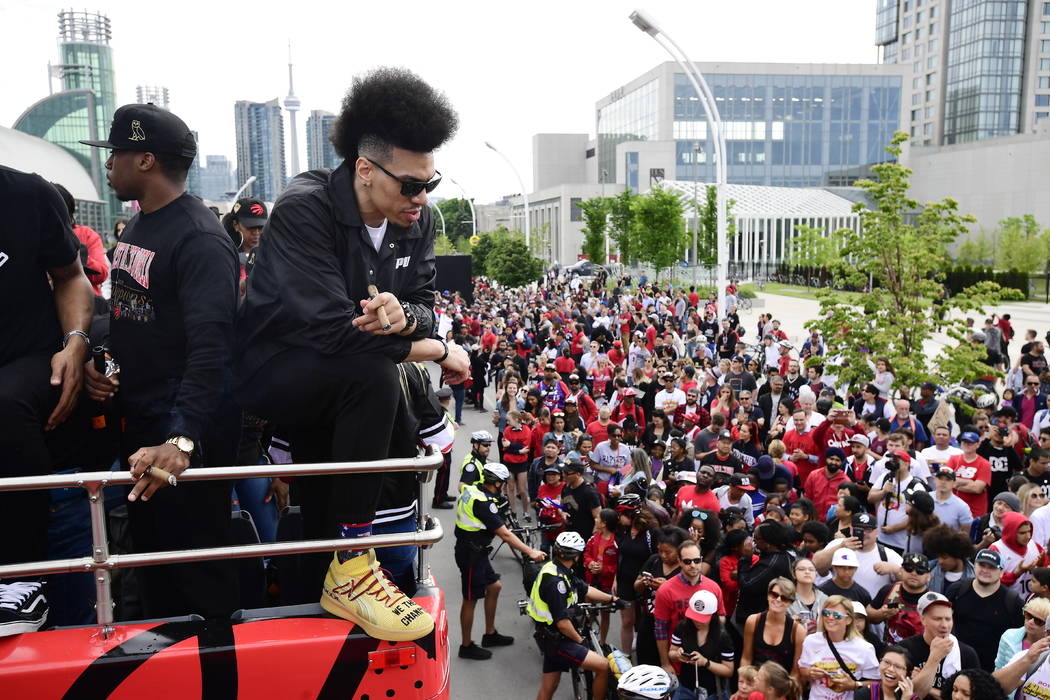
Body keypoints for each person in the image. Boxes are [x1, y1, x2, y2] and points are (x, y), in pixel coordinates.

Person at [234, 69, 468, 640]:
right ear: (365, 169)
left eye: (431, 183)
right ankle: (354, 565)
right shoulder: (303, 209)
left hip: (340, 375)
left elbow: (425, 302)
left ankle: (340, 564)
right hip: (270, 371)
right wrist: (434, 347)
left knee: (369, 379)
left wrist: (407, 318)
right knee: (374, 376)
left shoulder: (418, 219)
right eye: (411, 185)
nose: (422, 199)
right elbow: (333, 335)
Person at [80, 104, 244, 620]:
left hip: (184, 441)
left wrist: (182, 440)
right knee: (154, 582)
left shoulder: (199, 237)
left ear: (146, 160)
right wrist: (104, 361)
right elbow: (135, 317)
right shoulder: (138, 226)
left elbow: (213, 350)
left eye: (117, 154)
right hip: (143, 433)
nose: (109, 165)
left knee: (197, 581)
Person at [0, 166, 93, 635]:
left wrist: (75, 344)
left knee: (5, 402)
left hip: (31, 365)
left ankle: (21, 580)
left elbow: (72, 276)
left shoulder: (26, 194)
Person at [454, 461, 544, 659]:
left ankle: (490, 633)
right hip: (471, 555)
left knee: (494, 587)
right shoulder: (485, 504)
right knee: (470, 599)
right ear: (496, 483)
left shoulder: (472, 489)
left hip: (476, 551)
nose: (504, 487)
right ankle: (466, 646)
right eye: (503, 484)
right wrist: (530, 552)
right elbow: (505, 534)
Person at [528, 531, 623, 700]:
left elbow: (585, 589)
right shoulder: (556, 582)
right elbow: (563, 623)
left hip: (548, 635)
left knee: (550, 685)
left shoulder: (559, 569)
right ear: (577, 556)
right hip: (558, 639)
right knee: (602, 666)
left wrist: (613, 599)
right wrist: (581, 641)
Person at [945, 548, 1025, 672]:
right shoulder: (958, 590)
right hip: (955, 664)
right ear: (974, 566)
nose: (985, 570)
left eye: (992, 567)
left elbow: (1021, 637)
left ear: (1001, 572)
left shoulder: (1013, 602)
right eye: (982, 565)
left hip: (991, 671)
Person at [654, 539, 726, 676]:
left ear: (701, 559)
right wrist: (665, 663)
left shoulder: (714, 588)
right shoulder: (665, 590)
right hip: (679, 662)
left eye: (697, 560)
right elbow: (660, 630)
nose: (693, 565)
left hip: (707, 661)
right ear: (679, 561)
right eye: (687, 562)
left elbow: (721, 620)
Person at [798, 595, 880, 700]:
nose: (830, 618)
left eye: (836, 615)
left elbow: (877, 683)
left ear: (849, 620)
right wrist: (810, 673)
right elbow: (802, 669)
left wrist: (854, 685)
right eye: (826, 614)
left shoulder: (864, 648)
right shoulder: (811, 641)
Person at [668, 590, 735, 700]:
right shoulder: (682, 627)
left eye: (702, 618)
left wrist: (705, 662)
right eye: (694, 616)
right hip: (686, 688)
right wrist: (678, 656)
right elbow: (671, 653)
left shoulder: (722, 636)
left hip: (713, 692)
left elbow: (728, 670)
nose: (697, 621)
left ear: (712, 615)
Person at [741, 577, 806, 674]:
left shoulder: (797, 631)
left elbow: (795, 671)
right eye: (774, 595)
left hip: (782, 685)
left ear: (790, 602)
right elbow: (746, 658)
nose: (778, 600)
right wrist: (745, 681)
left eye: (784, 598)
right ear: (768, 596)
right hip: (755, 682)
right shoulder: (753, 621)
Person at [989, 511, 1043, 595]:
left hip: (1032, 604)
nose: (1028, 536)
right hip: (1006, 603)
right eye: (1022, 533)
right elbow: (990, 582)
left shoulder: (1034, 546)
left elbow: (1046, 571)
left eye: (1029, 531)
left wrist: (1041, 565)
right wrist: (1017, 573)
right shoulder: (996, 549)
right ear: (1011, 532)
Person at [995, 596, 1050, 671]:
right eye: (1028, 615)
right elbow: (999, 667)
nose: (1030, 622)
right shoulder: (1008, 636)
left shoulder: (1048, 647)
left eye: (1038, 621)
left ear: (1047, 626)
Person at [947, 431, 992, 518]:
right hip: (953, 508)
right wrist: (970, 482)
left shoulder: (984, 464)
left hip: (975, 511)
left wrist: (955, 483)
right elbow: (945, 481)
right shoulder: (953, 459)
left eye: (970, 443)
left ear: (977, 445)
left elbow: (977, 488)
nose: (967, 445)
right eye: (964, 442)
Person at [852, 645, 917, 700]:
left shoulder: (911, 697)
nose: (891, 669)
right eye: (886, 662)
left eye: (898, 666)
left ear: (907, 673)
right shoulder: (864, 694)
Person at [788, 557, 829, 634]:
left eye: (811, 569)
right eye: (802, 569)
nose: (807, 572)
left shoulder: (825, 599)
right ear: (794, 574)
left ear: (816, 574)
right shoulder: (785, 598)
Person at [931, 466, 974, 534]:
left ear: (954, 483)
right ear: (935, 480)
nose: (943, 482)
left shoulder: (962, 507)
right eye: (940, 478)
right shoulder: (926, 498)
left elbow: (965, 534)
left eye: (948, 479)